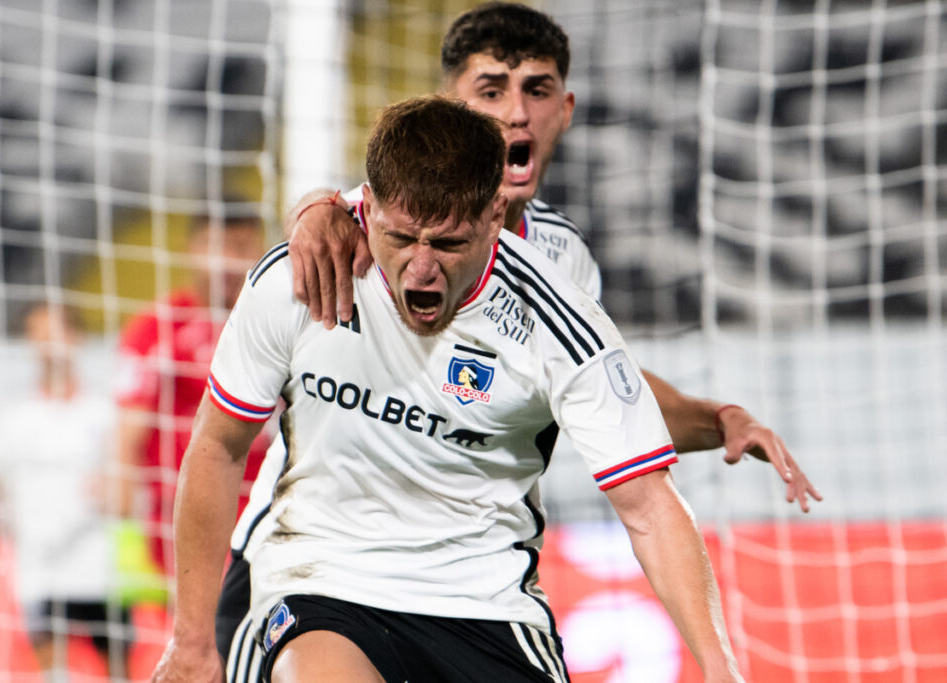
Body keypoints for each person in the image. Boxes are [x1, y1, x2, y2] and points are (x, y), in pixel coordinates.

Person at [152, 95, 743, 682]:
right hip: (322, 585)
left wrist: (721, 668)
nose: (421, 268)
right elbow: (218, 446)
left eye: (448, 243)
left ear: (494, 215)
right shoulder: (299, 279)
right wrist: (193, 639)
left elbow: (649, 508)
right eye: (402, 239)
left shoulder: (555, 321)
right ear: (371, 206)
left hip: (485, 607)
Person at [283, 1, 821, 511]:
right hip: (304, 547)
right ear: (450, 106)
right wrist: (312, 209)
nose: (517, 113)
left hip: (458, 570)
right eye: (491, 92)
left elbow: (608, 387)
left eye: (536, 91)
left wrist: (720, 419)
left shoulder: (565, 258)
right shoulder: (373, 221)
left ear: (565, 111)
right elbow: (328, 221)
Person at [0, 302, 132, 681]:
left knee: (116, 668)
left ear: (76, 339)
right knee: (52, 671)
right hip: (38, 565)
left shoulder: (103, 410)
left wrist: (117, 489)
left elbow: (128, 485)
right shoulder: (11, 413)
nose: (44, 345)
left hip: (98, 564)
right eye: (36, 336)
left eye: (51, 334)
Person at [113, 207, 274, 577]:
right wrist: (121, 508)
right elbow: (129, 425)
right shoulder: (156, 328)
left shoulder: (270, 325)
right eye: (219, 246)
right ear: (193, 248)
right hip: (174, 513)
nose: (230, 261)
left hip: (260, 512)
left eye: (243, 246)